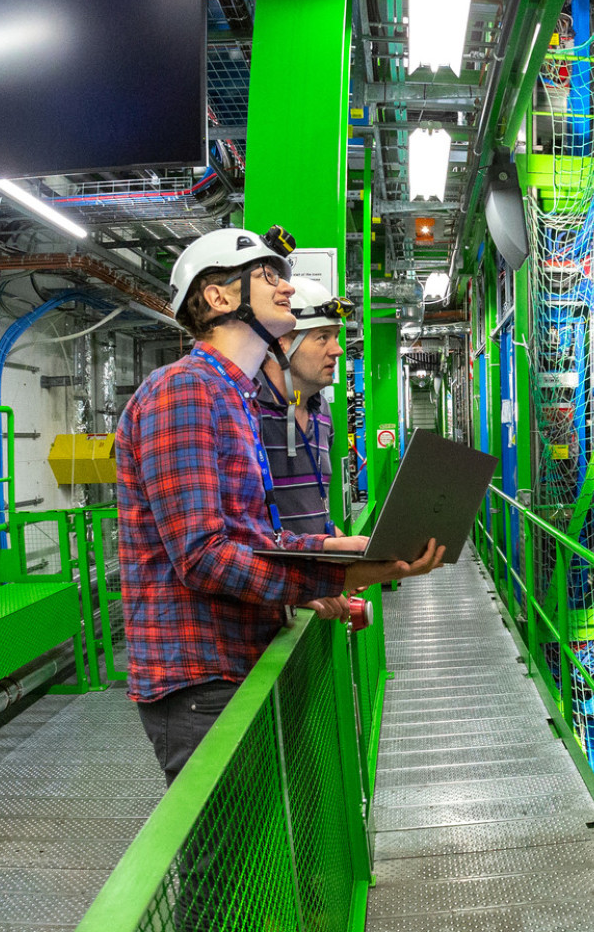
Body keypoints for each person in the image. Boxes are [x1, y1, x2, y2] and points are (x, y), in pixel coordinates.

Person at [115, 227, 444, 785]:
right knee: (228, 842)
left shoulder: (232, 396)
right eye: (268, 276)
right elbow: (203, 557)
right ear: (218, 296)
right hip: (202, 676)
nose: (286, 287)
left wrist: (343, 550)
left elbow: (255, 538)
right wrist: (337, 577)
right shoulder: (184, 391)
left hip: (236, 663)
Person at [254, 275, 352, 538]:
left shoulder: (322, 412)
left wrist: (339, 543)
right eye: (322, 337)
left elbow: (312, 512)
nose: (338, 350)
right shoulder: (247, 409)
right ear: (282, 342)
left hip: (316, 561)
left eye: (336, 336)